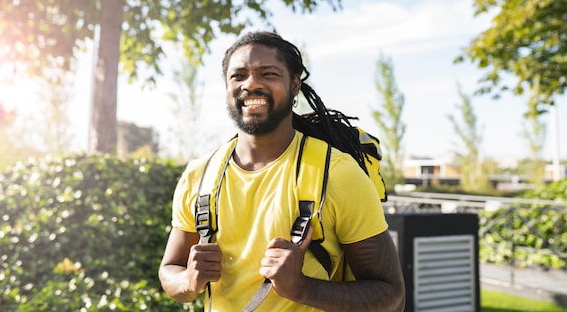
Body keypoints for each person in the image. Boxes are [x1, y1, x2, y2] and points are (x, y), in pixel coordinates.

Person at [159, 31, 405, 312]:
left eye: (268, 73)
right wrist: (188, 280)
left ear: (295, 85)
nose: (251, 84)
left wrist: (302, 288)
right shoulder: (199, 175)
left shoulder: (336, 173)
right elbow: (170, 270)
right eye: (238, 76)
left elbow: (392, 297)